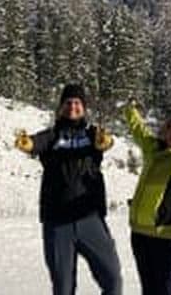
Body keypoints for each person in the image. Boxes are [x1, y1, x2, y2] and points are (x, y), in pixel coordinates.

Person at [14, 83, 122, 295]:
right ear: (61, 107)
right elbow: (35, 144)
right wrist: (27, 143)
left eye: (77, 103)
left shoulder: (92, 135)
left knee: (113, 280)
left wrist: (106, 142)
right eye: (68, 102)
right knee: (63, 288)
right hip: (57, 222)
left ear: (84, 107)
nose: (73, 106)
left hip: (89, 219)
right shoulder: (52, 135)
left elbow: (105, 143)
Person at [124, 102, 171, 295]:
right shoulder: (153, 150)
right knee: (149, 288)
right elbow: (139, 131)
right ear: (165, 130)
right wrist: (130, 110)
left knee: (166, 288)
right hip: (139, 232)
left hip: (164, 234)